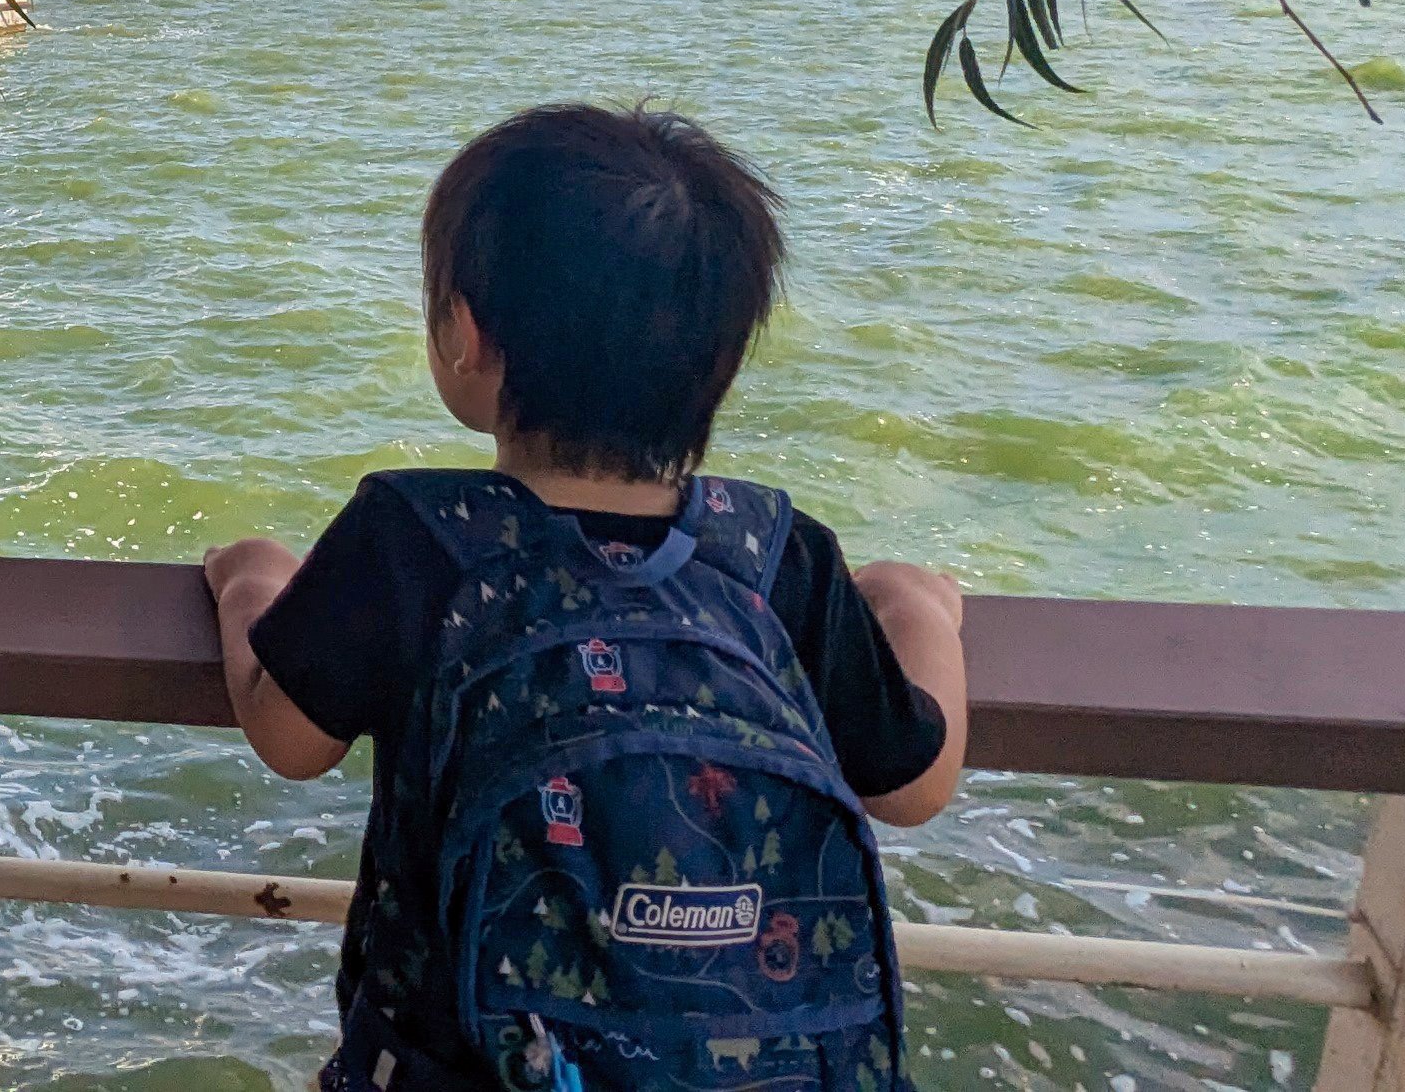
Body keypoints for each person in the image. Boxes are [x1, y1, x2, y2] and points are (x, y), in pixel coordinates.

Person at [204, 104, 969, 1092]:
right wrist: (918, 612)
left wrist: (250, 580)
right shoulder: (776, 553)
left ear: (464, 335)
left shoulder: (415, 539)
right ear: (726, 362)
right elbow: (913, 784)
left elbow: (289, 736)